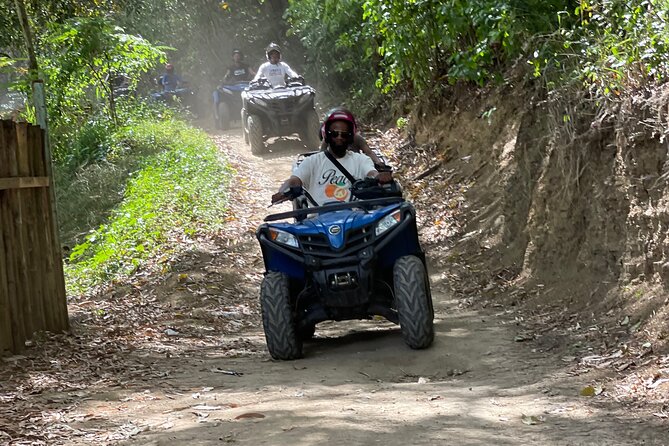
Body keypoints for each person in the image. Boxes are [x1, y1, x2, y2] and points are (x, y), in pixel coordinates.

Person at [272, 109, 392, 206]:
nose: (339, 137)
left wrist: (378, 177)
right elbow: (294, 180)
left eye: (344, 135)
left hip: (356, 220)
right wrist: (284, 191)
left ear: (350, 137)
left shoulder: (361, 160)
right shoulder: (312, 162)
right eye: (334, 134)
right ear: (327, 136)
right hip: (317, 221)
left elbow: (371, 172)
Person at [318, 107, 386, 167]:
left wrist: (378, 162)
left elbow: (369, 152)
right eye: (335, 133)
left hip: (355, 168)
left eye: (344, 132)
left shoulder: (357, 138)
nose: (339, 137)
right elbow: (321, 156)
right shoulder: (328, 139)